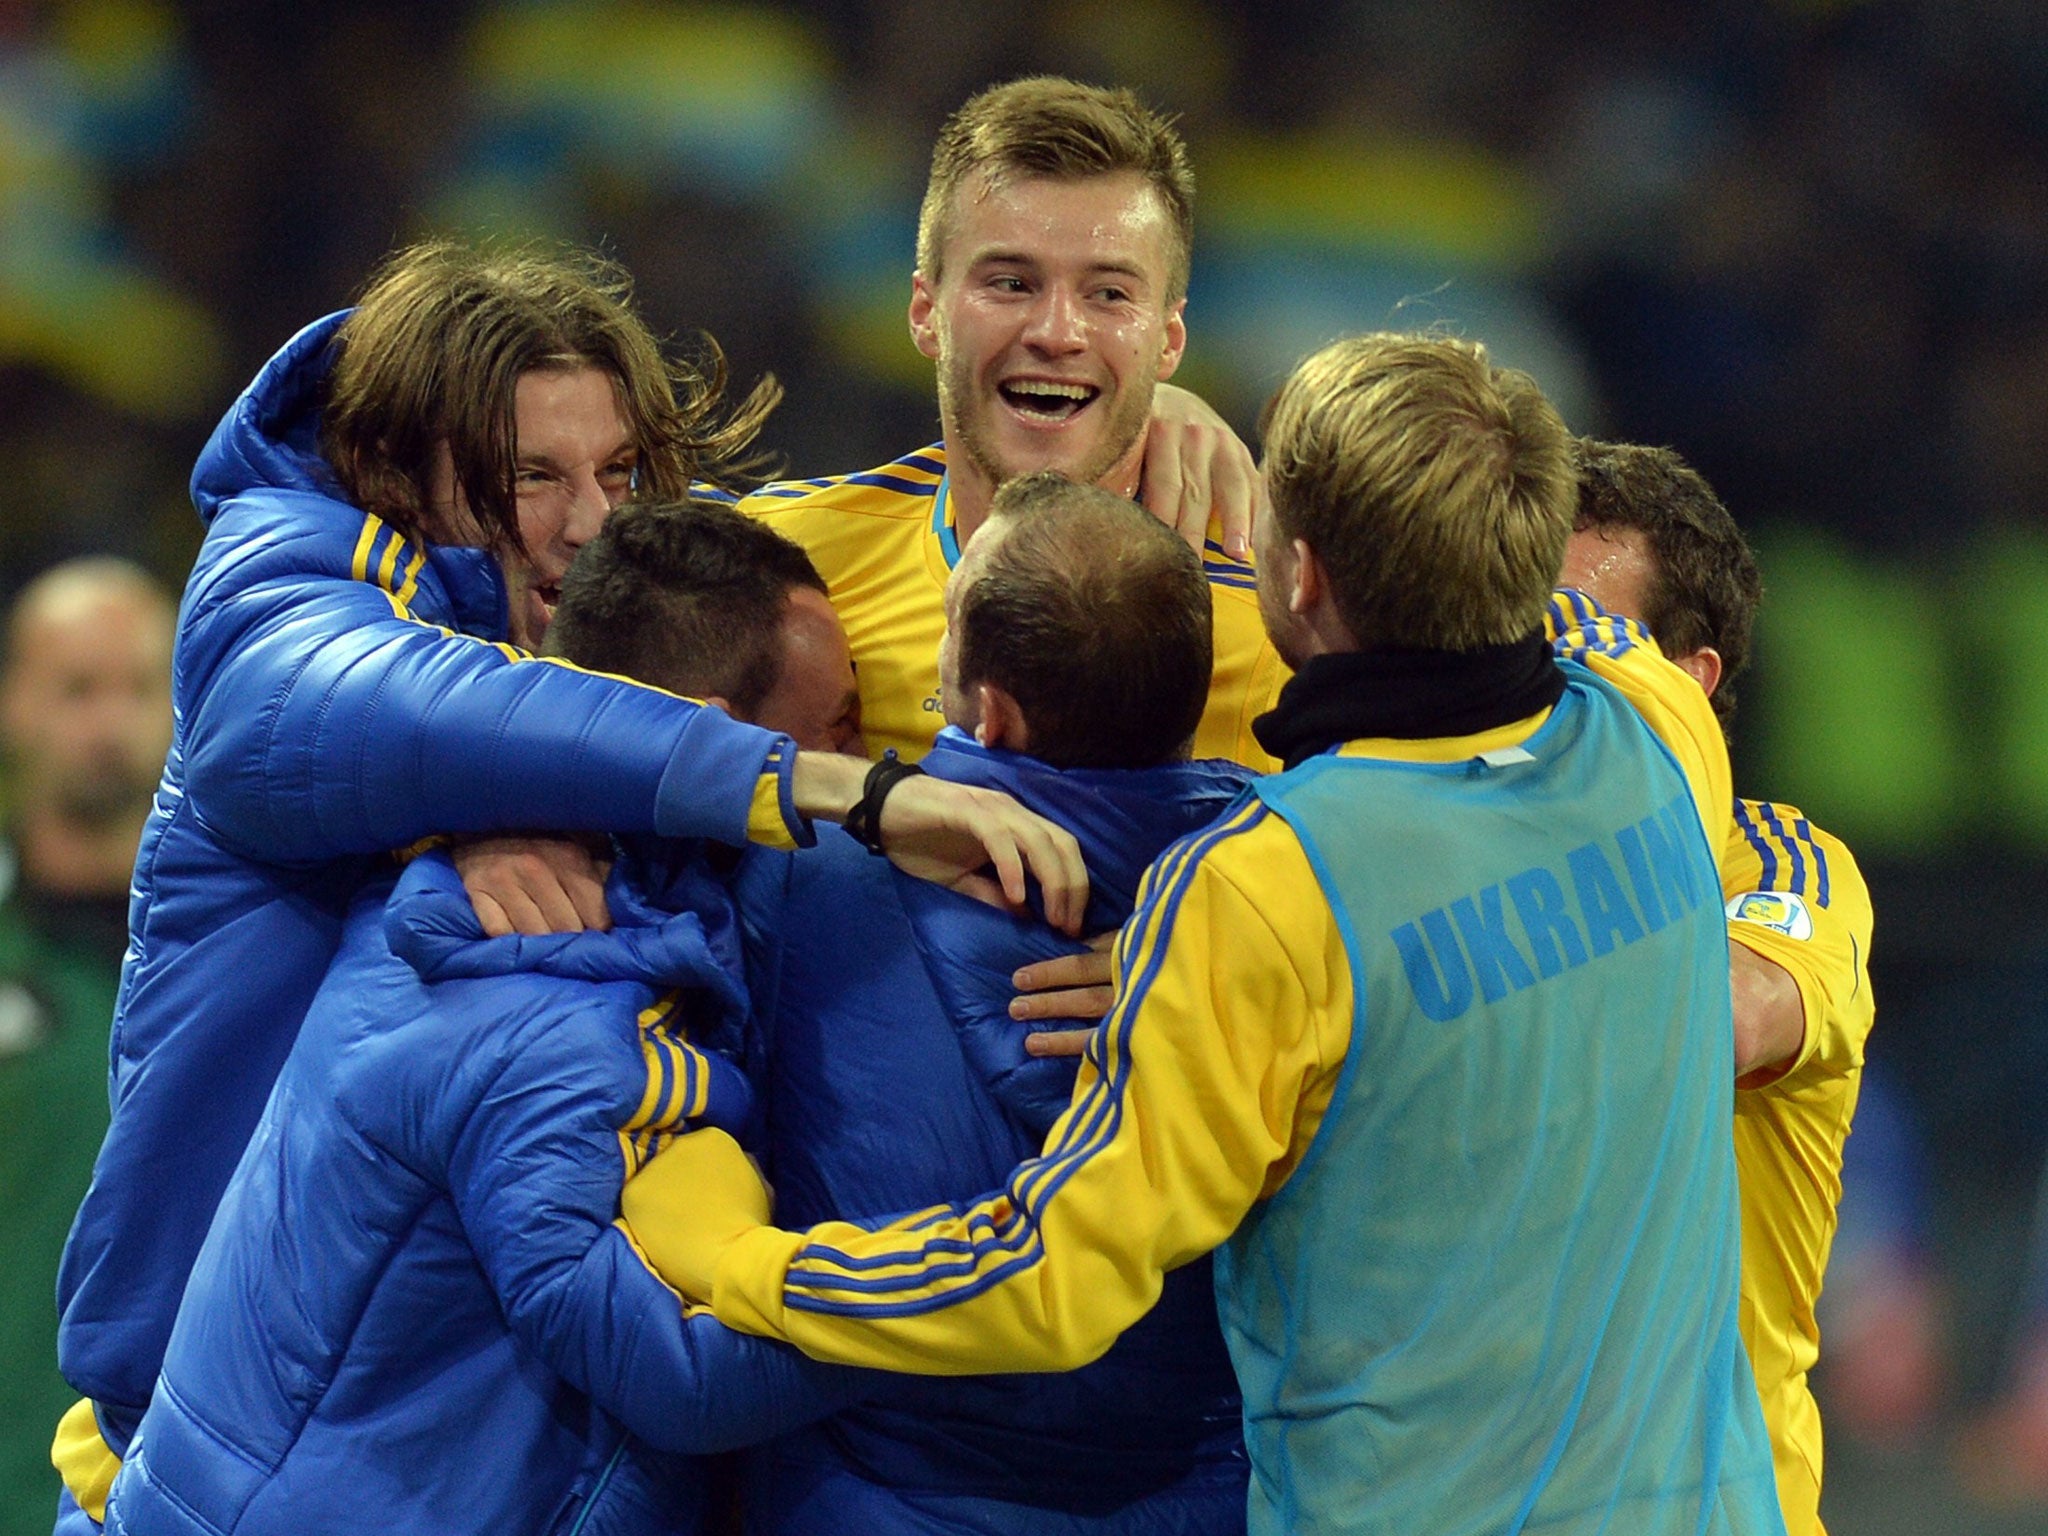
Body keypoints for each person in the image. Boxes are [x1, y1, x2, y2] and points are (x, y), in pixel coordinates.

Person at [620, 333, 1786, 1533]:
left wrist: (743, 1263)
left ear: (1301, 578)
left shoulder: (1268, 885)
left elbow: (1046, 1282)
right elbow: (1567, 636)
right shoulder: (1655, 733)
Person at [50, 240, 1083, 1532]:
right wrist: (834, 788)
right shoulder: (283, 591)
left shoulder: (578, 713)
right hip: (225, 1438)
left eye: (618, 471)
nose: (589, 521)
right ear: (399, 470)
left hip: (429, 1444)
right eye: (530, 475)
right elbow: (398, 719)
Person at [101, 501, 889, 1536]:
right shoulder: (532, 991)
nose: (862, 755)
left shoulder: (568, 917)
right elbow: (673, 1368)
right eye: (832, 730)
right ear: (712, 738)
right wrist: (990, 1287)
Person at [732, 472, 1251, 1534]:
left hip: (865, 1499)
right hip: (1207, 1498)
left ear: (990, 712)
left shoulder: (790, 881)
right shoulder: (1287, 904)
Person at [733, 77, 1286, 771]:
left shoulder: (1276, 621)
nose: (1058, 333)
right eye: (1011, 283)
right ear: (925, 312)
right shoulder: (783, 567)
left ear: (1169, 340)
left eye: (1109, 294)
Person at [1558, 438, 1877, 1536]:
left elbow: (1727, 1018)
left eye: (1570, 637)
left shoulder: (1783, 869)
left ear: (1681, 683)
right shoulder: (1401, 852)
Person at [0, 563, 172, 1536]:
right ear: (13, 704)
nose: (108, 722)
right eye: (75, 688)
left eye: (137, 687)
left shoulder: (250, 965)